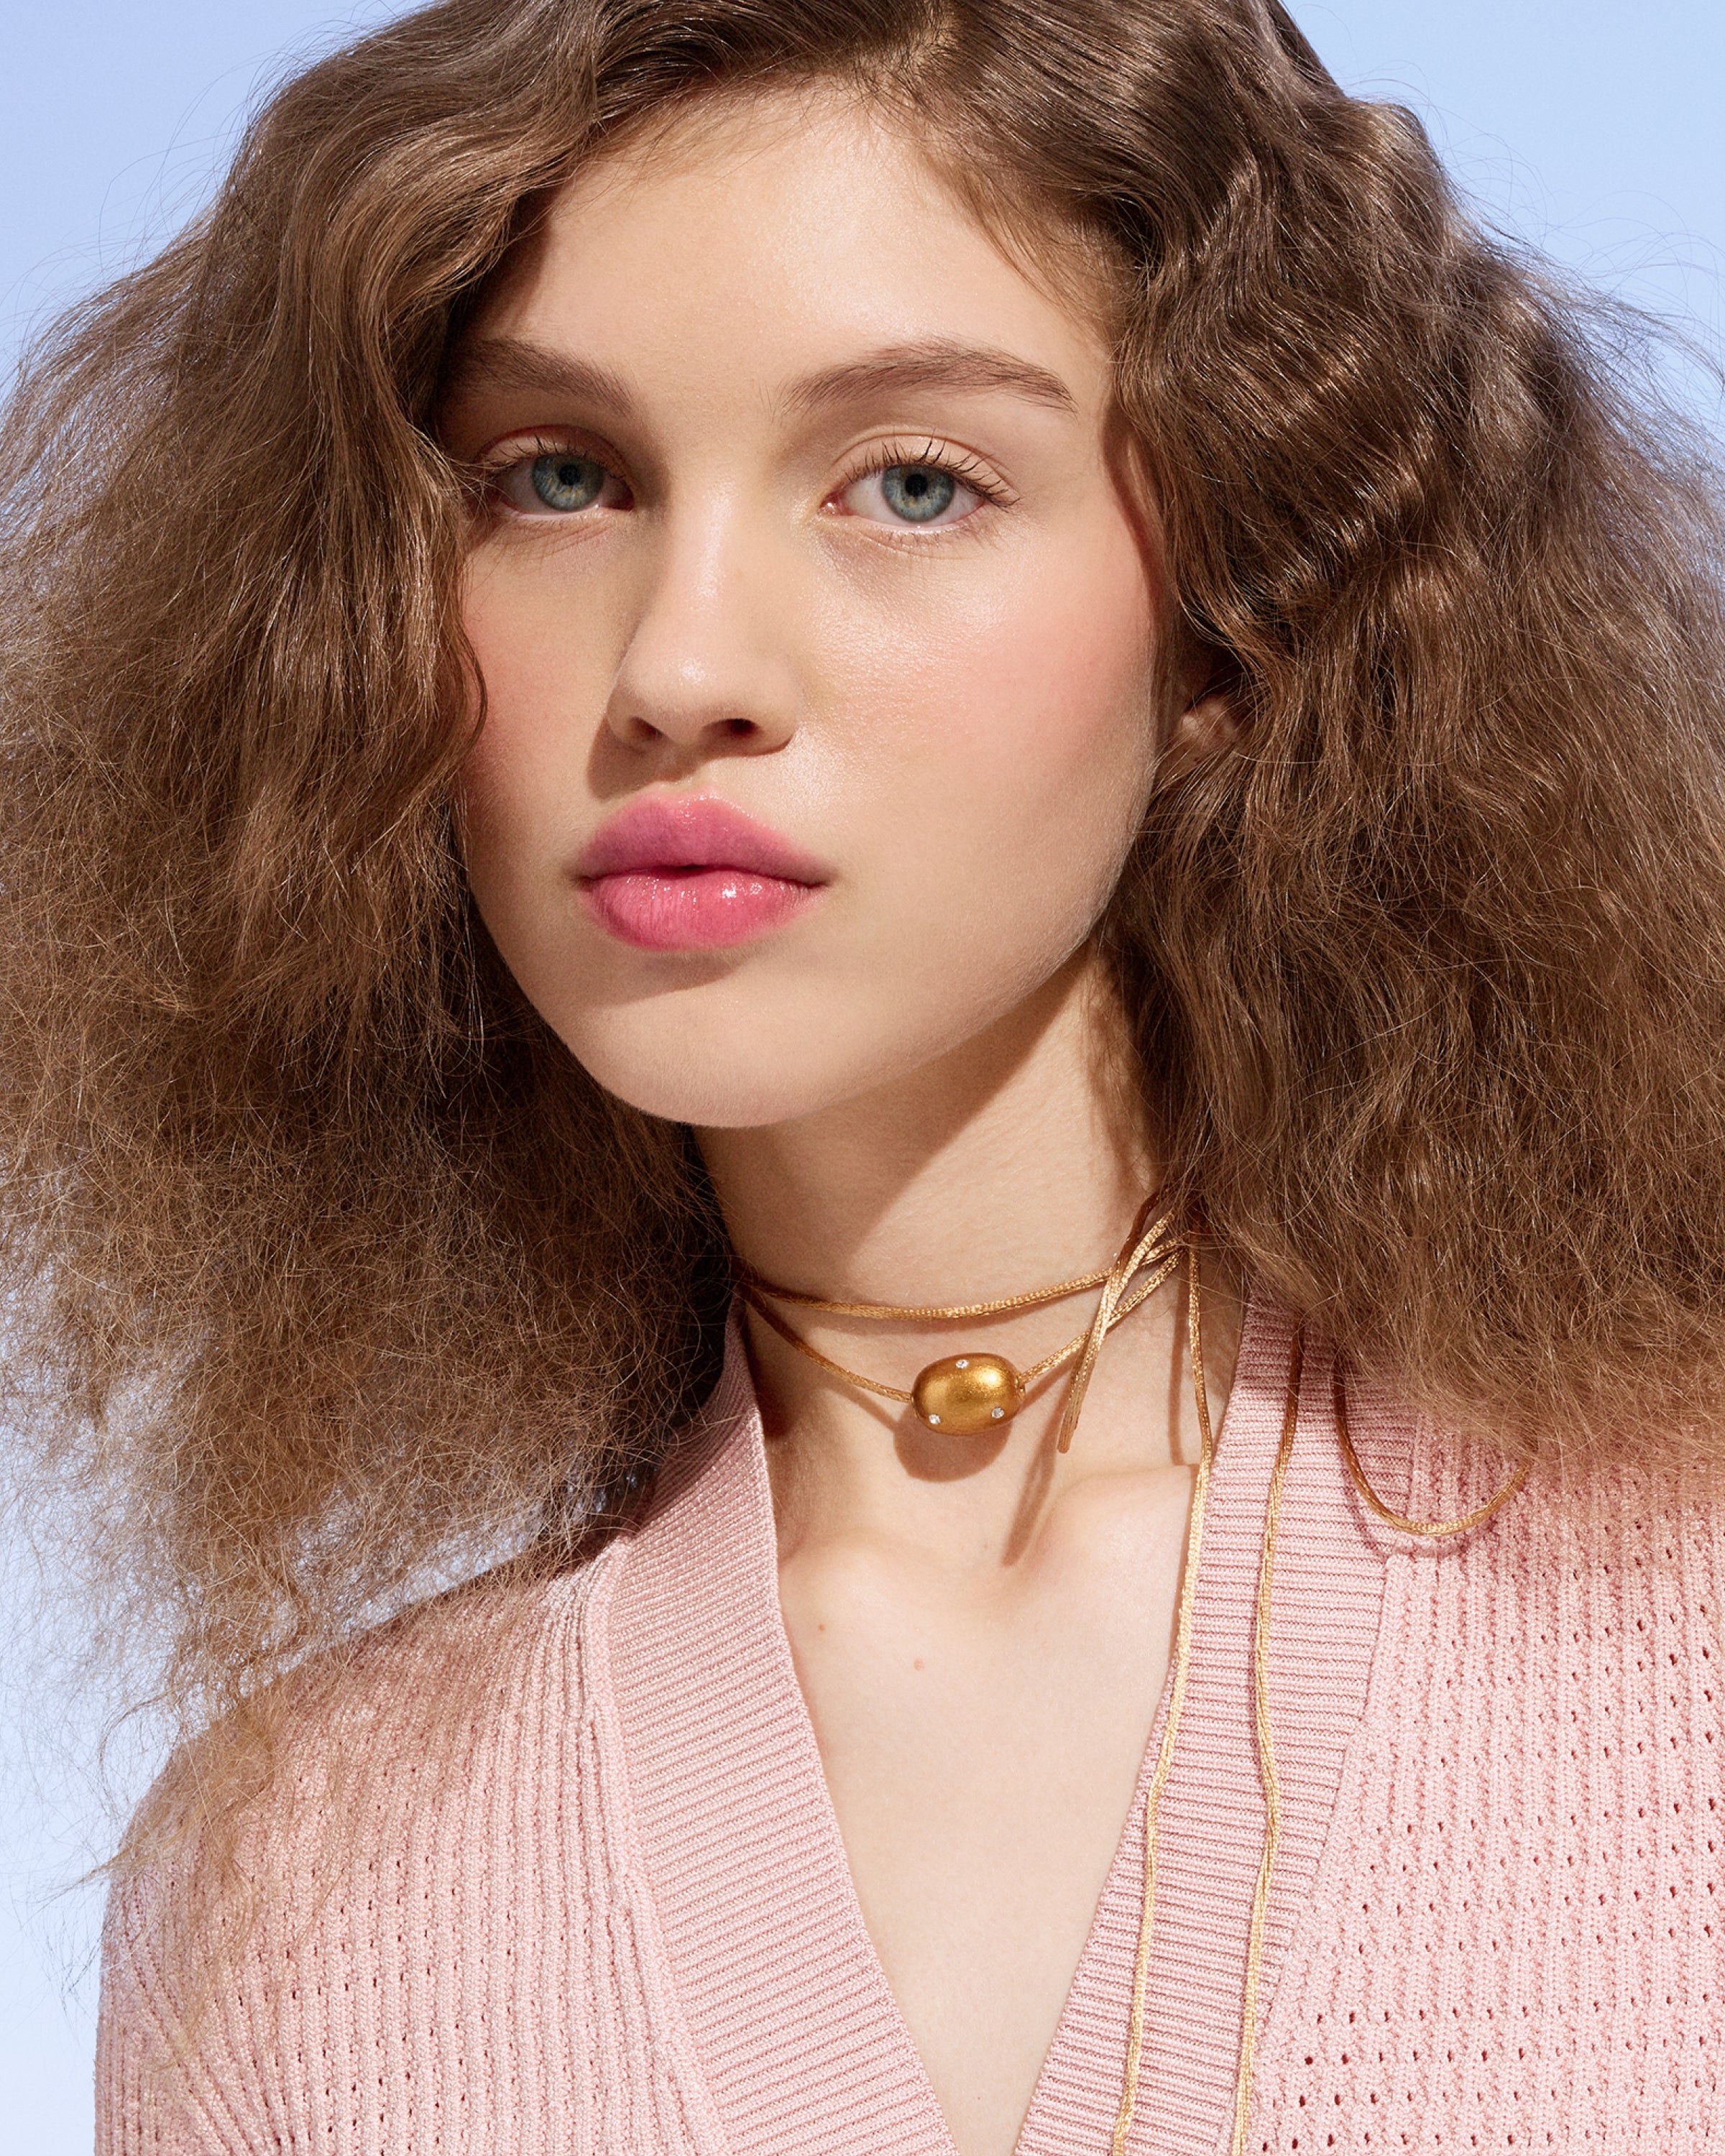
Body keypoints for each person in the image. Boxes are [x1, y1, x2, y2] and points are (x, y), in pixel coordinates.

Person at [2, 0, 1721, 2149]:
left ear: (1238, 616)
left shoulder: (1683, 1634)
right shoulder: (292, 1889)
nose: (683, 668)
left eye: (913, 483)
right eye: (557, 480)